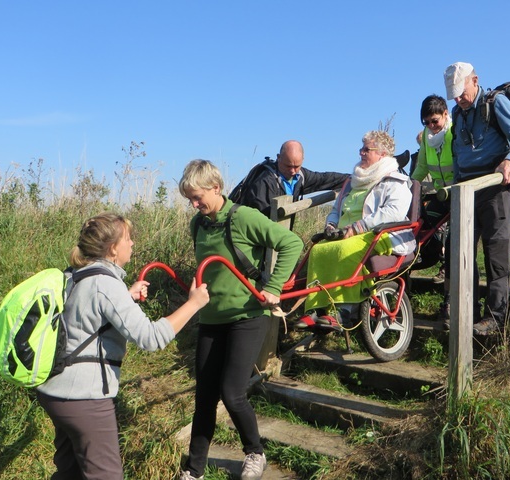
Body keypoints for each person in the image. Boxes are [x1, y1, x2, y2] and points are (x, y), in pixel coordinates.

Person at [36, 213, 210, 480]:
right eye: (129, 239)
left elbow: (87, 315)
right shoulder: (105, 283)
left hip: (55, 392)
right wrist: (193, 304)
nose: (133, 244)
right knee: (106, 475)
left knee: (69, 472)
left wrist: (126, 296)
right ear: (114, 247)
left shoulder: (74, 274)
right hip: (85, 398)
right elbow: (151, 338)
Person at [178, 160, 303, 480]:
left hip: (248, 315)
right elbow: (208, 267)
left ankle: (255, 453)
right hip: (211, 318)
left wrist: (274, 286)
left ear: (216, 188)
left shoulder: (244, 217)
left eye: (197, 197)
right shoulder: (199, 224)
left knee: (232, 392)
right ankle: (194, 471)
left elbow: (291, 243)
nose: (194, 205)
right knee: (204, 396)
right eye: (189, 199)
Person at [443, 62, 510, 335]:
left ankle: (496, 318)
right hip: (466, 190)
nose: (458, 99)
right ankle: (468, 311)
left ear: (475, 80)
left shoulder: (496, 103)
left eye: (461, 92)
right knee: (461, 254)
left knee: (496, 254)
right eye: (454, 95)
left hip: (494, 187)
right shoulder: (458, 114)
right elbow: (458, 153)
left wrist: (509, 160)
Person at [298, 130, 416, 330]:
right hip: (346, 233)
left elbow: (393, 212)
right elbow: (336, 210)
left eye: (366, 149)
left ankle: (344, 311)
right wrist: (331, 225)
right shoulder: (352, 181)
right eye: (361, 148)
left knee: (346, 251)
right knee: (319, 250)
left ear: (382, 154)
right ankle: (318, 308)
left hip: (382, 234)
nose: (361, 153)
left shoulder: (394, 181)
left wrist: (358, 227)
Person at [410, 94, 454, 323]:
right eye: (426, 122)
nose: (431, 126)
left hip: (460, 193)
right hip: (440, 194)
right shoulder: (427, 138)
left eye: (434, 121)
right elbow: (423, 166)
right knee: (420, 230)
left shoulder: (456, 133)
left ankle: (449, 302)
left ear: (446, 114)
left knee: (455, 246)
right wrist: (410, 186)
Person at [233, 139, 348, 218]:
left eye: (296, 166)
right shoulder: (264, 182)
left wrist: (355, 179)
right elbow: (258, 220)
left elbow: (325, 179)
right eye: (288, 166)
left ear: (303, 159)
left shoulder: (300, 176)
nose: (292, 171)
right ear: (279, 158)